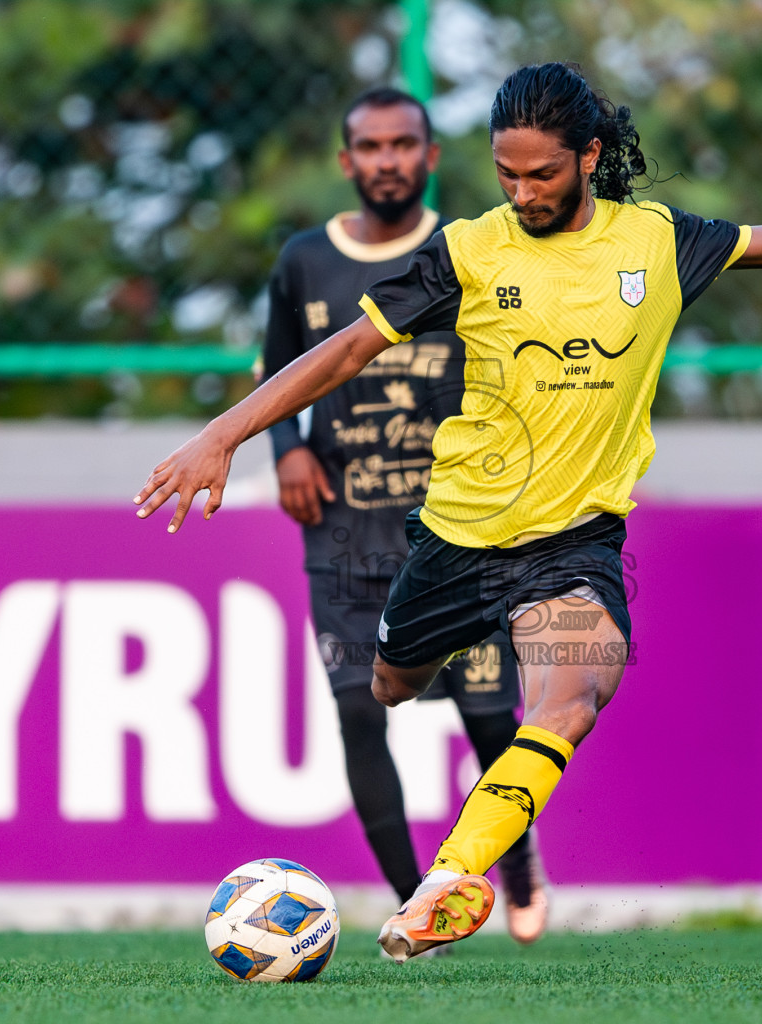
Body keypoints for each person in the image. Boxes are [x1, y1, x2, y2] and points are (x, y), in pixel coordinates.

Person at [135, 61, 762, 961]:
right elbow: (349, 349)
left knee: (573, 695)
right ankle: (449, 667)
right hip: (458, 536)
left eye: (542, 175)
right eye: (506, 174)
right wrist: (226, 434)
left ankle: (451, 877)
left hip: (574, 542)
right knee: (391, 685)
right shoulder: (472, 251)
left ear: (590, 155)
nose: (521, 193)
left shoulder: (657, 243)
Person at [259, 86, 549, 943]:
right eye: (371, 146)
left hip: (459, 532)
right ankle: (420, 898)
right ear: (347, 162)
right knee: (357, 709)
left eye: (404, 144)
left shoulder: (474, 251)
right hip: (346, 532)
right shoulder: (303, 262)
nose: (388, 159)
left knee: (493, 719)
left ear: (429, 156)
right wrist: (288, 451)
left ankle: (521, 868)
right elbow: (278, 365)